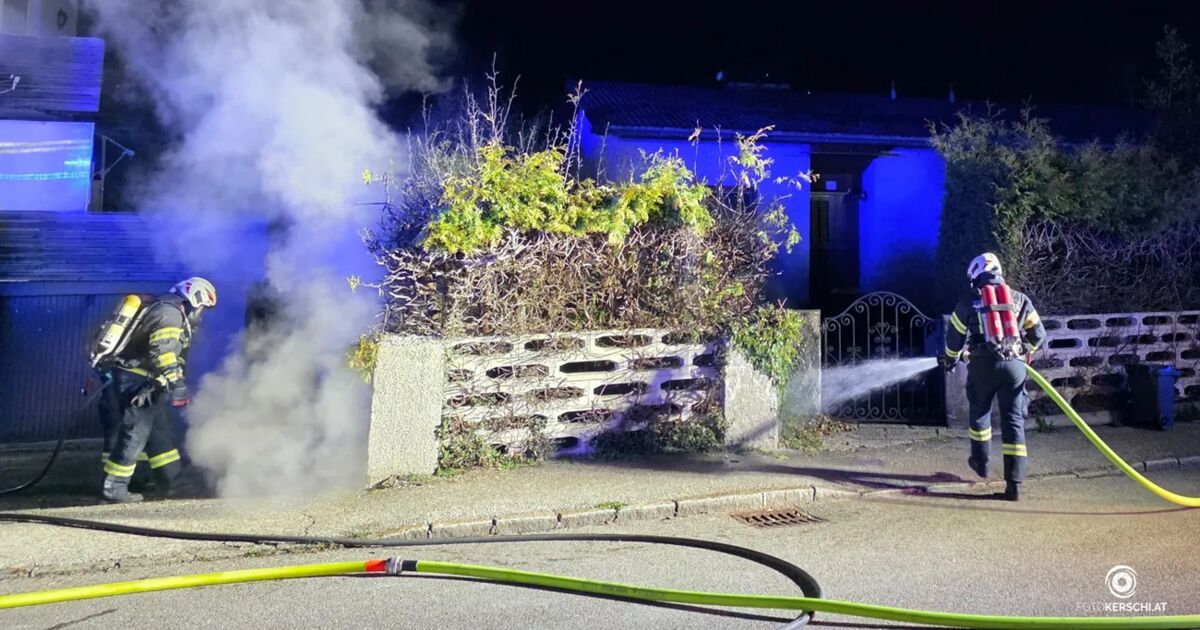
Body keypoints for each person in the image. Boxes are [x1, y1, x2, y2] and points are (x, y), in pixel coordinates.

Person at [99, 277, 216, 502]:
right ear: (194, 299)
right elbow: (162, 352)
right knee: (136, 432)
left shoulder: (164, 308)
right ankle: (114, 487)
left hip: (142, 379)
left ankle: (172, 483)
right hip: (137, 380)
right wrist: (177, 383)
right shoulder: (170, 314)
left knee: (158, 431)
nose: (201, 315)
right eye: (202, 308)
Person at [941, 253, 1046, 501]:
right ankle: (1015, 485)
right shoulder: (1019, 298)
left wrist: (950, 359)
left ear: (975, 275)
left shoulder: (969, 300)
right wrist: (1023, 351)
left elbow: (954, 338)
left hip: (982, 365)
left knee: (980, 412)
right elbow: (1039, 335)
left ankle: (981, 462)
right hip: (1014, 367)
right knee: (1013, 421)